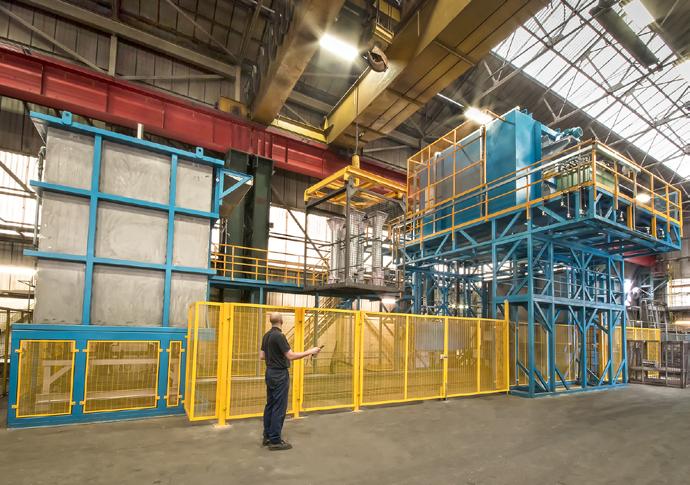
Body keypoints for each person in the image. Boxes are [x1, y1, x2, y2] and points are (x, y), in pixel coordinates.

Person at [260, 312, 321, 451]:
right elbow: (291, 355)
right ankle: (275, 440)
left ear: (271, 321)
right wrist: (310, 351)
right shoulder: (279, 336)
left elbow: (262, 356)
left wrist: (275, 356)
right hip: (279, 374)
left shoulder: (266, 335)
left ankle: (267, 436)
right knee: (279, 407)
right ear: (281, 321)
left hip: (269, 372)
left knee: (270, 405)